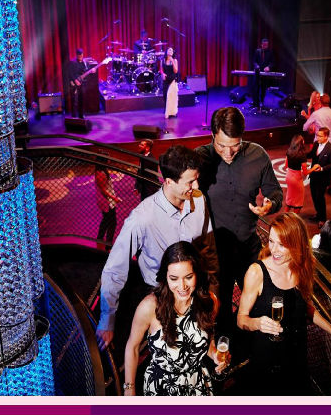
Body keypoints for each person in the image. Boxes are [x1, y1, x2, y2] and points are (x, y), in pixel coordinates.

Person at [96, 146, 216, 352]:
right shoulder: (141, 218)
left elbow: (207, 248)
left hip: (193, 291)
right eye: (190, 182)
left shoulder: (198, 199)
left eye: (196, 179)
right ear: (169, 181)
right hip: (161, 298)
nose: (196, 186)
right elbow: (115, 269)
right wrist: (107, 321)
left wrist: (212, 290)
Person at [236, 213, 331, 394]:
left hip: (296, 352)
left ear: (296, 244)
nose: (274, 250)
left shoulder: (302, 267)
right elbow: (241, 319)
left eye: (282, 245)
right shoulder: (256, 272)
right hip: (267, 357)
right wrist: (257, 323)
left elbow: (305, 307)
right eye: (271, 241)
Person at [195, 107, 283, 341]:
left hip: (248, 246)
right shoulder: (199, 159)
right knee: (219, 307)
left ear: (242, 137)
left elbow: (275, 192)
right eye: (221, 145)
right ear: (212, 135)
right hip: (214, 252)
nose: (228, 152)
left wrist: (269, 205)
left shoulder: (258, 155)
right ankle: (225, 347)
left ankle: (251, 346)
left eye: (234, 145)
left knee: (256, 302)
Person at [123, 241, 228, 396]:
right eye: (174, 278)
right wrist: (129, 389)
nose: (182, 286)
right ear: (165, 277)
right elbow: (132, 347)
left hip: (197, 386)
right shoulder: (150, 306)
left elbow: (207, 340)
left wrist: (215, 355)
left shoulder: (209, 302)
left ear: (197, 274)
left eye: (188, 277)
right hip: (161, 387)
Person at [307, 127, 331, 225]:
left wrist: (322, 168)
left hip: (323, 178)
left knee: (320, 197)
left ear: (326, 137)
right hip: (313, 176)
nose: (317, 138)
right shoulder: (316, 144)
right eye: (317, 135)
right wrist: (299, 154)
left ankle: (322, 219)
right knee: (314, 196)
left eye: (320, 136)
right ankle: (318, 214)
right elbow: (311, 154)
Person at [95, 163, 122, 250]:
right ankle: (108, 245)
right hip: (107, 202)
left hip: (107, 201)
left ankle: (100, 238)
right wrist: (114, 198)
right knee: (112, 223)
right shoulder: (101, 173)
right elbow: (103, 190)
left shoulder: (100, 171)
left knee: (106, 220)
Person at [284, 134, 311, 214]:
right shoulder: (302, 155)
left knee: (290, 199)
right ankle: (294, 219)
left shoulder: (289, 151)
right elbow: (305, 173)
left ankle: (284, 218)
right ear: (301, 143)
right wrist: (313, 168)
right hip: (296, 179)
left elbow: (286, 165)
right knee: (298, 202)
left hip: (288, 176)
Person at [64, 48, 88, 119]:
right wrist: (75, 80)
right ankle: (74, 116)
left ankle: (81, 114)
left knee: (82, 99)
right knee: (74, 100)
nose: (80, 57)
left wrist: (92, 71)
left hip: (82, 83)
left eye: (81, 55)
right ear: (76, 55)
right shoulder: (73, 63)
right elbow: (70, 73)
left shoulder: (84, 63)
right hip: (74, 84)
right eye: (79, 55)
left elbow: (85, 72)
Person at [252, 38, 274, 108]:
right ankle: (256, 102)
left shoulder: (270, 52)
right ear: (261, 44)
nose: (265, 46)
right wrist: (256, 66)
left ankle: (262, 101)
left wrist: (269, 67)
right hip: (257, 72)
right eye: (264, 45)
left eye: (267, 45)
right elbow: (254, 61)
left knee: (263, 88)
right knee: (256, 87)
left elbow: (272, 62)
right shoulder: (257, 51)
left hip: (265, 73)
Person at [160, 47, 179, 119]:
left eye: (172, 50)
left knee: (172, 96)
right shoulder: (163, 60)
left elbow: (176, 71)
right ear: (166, 51)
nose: (171, 51)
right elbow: (161, 69)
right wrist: (162, 74)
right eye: (169, 50)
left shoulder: (175, 60)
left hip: (172, 79)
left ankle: (173, 112)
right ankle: (167, 110)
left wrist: (172, 61)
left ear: (173, 53)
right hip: (166, 79)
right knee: (165, 95)